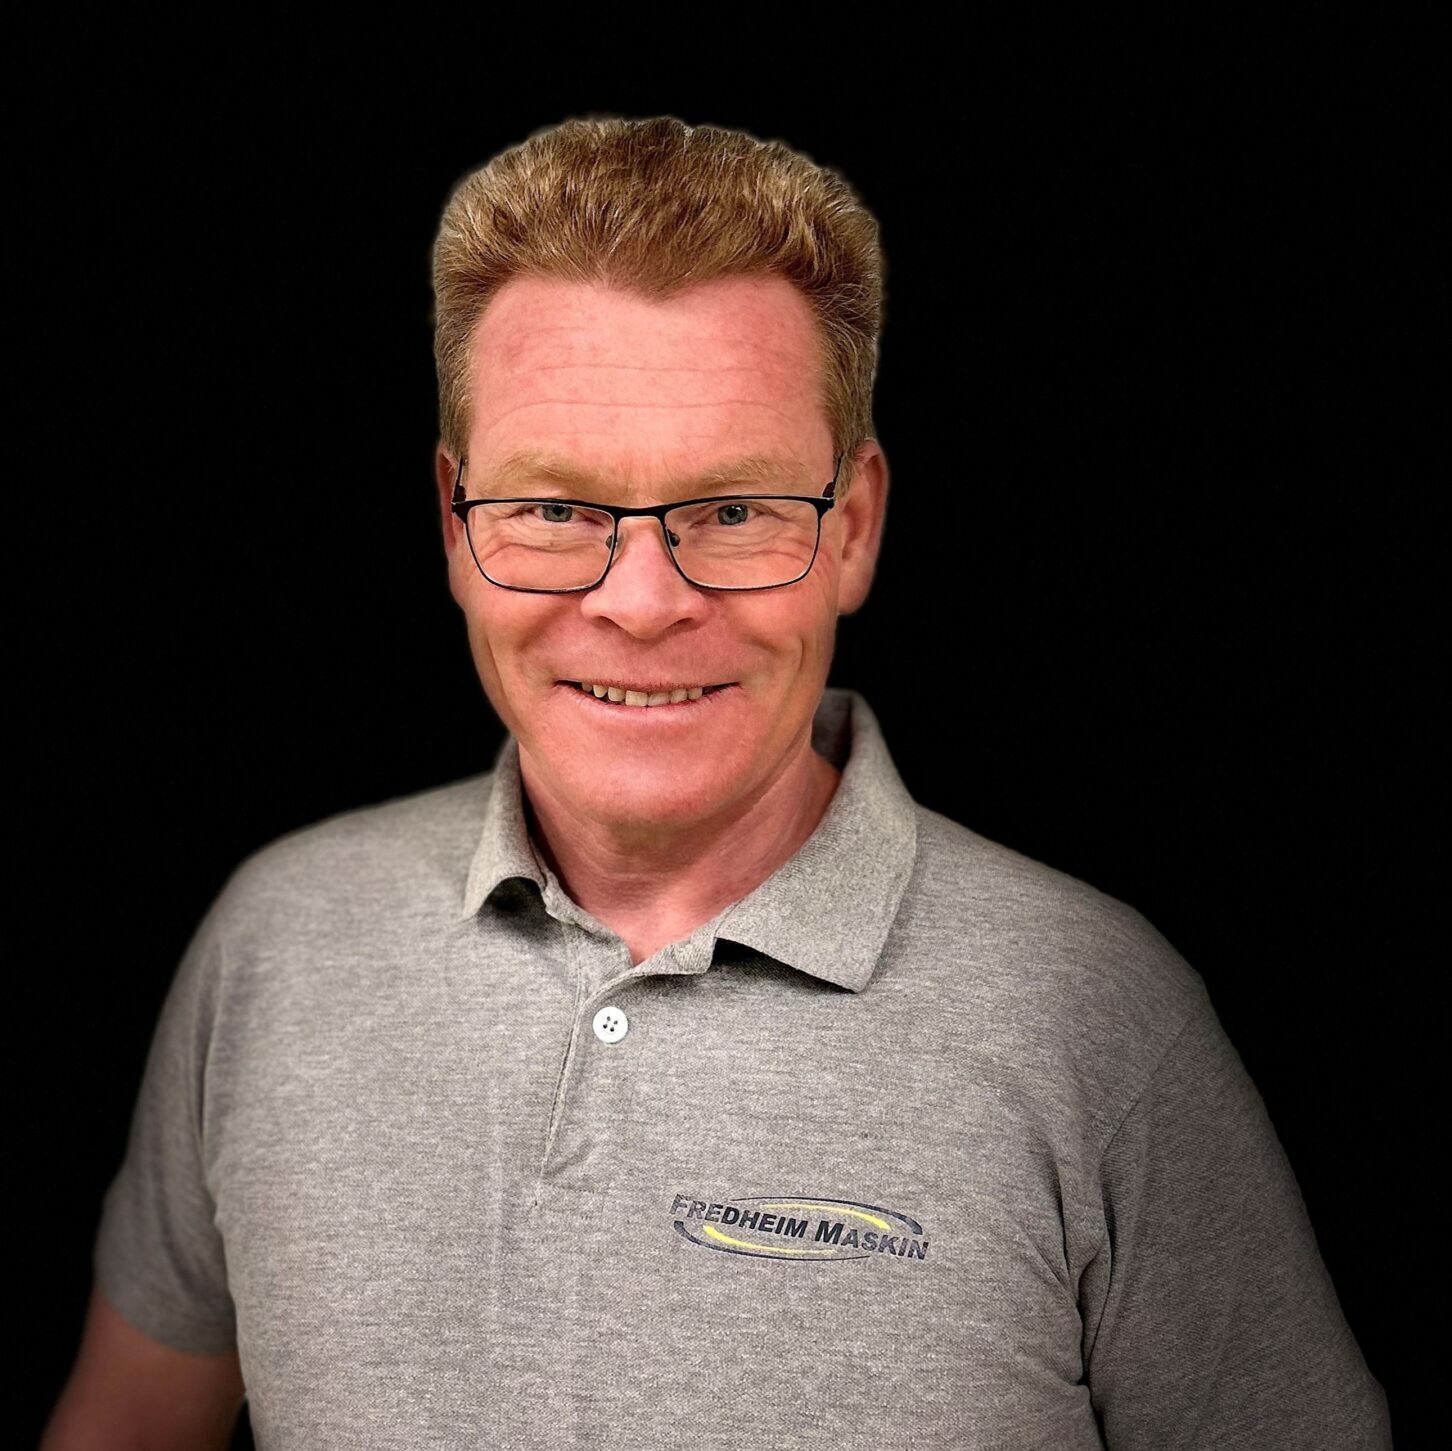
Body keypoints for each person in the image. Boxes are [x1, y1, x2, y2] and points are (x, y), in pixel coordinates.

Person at [43, 114, 1391, 1451]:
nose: (640, 604)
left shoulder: (1092, 1014)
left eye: (735, 511)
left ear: (853, 528)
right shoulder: (279, 941)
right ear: (454, 522)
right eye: (555, 508)